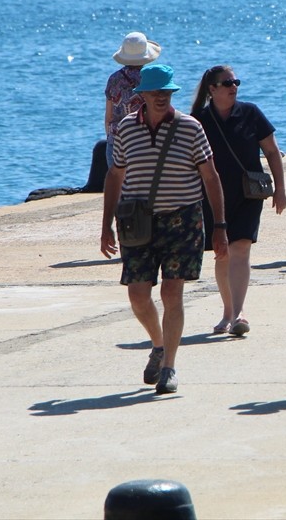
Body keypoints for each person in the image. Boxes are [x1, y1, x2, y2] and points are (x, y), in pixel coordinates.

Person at [101, 63, 229, 395]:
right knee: (138, 296)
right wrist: (106, 226)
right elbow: (115, 176)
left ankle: (169, 366)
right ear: (141, 95)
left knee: (171, 293)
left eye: (167, 92)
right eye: (155, 92)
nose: (161, 98)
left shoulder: (190, 127)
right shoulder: (126, 130)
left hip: (182, 220)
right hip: (137, 222)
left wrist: (220, 227)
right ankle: (158, 344)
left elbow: (211, 177)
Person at [191, 65, 286, 337]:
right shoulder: (198, 119)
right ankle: (228, 311)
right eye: (228, 83)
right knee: (222, 253)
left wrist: (280, 189)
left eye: (236, 82)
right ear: (212, 89)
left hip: (248, 193)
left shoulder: (251, 113)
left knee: (241, 247)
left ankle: (239, 312)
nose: (234, 86)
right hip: (212, 196)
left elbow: (272, 151)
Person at [105, 32, 160, 166]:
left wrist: (111, 138)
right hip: (144, 143)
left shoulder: (113, 79)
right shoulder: (151, 80)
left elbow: (108, 118)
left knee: (118, 185)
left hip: (117, 141)